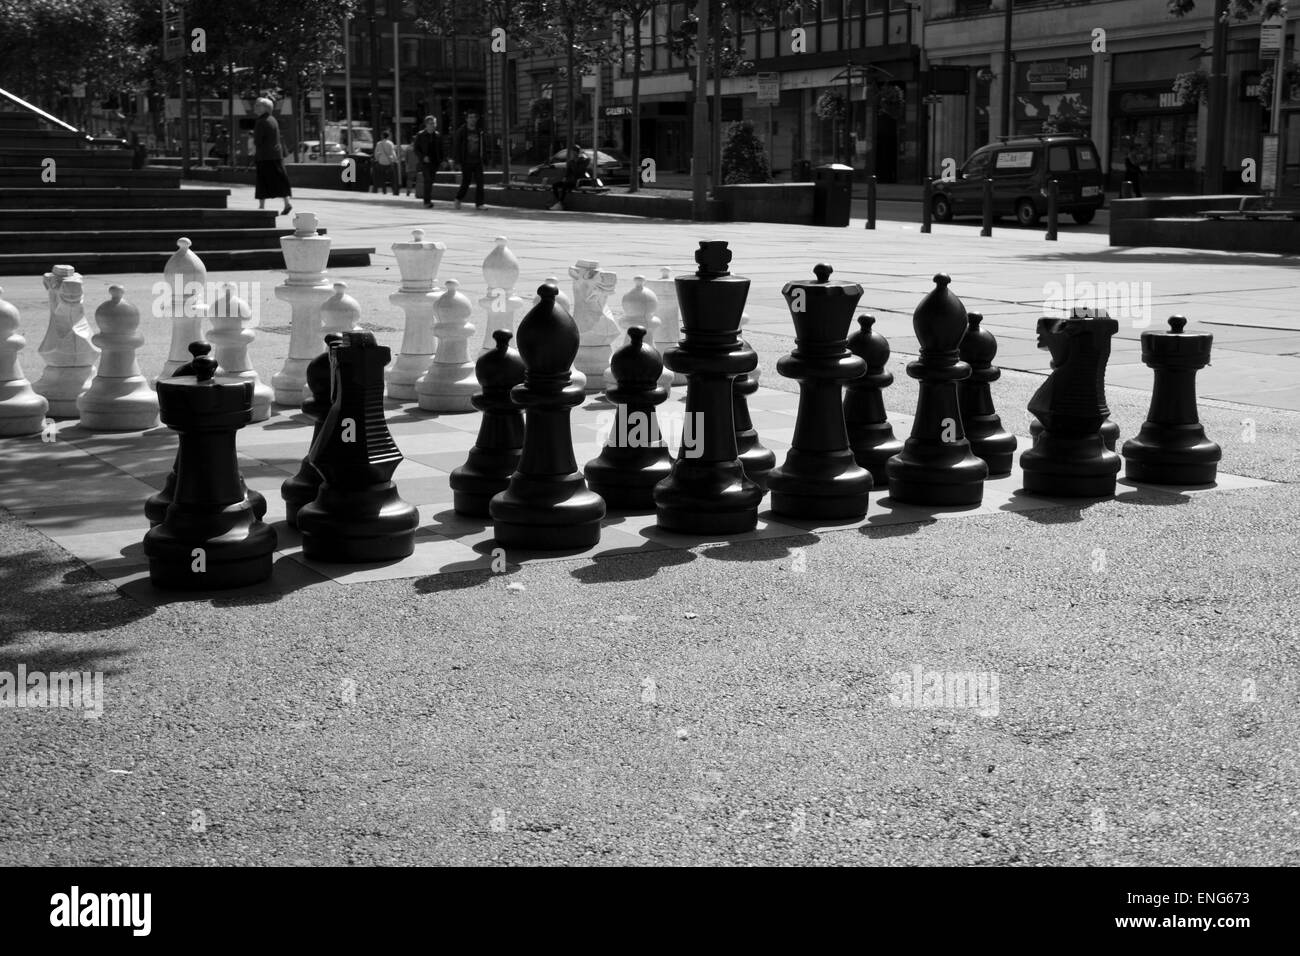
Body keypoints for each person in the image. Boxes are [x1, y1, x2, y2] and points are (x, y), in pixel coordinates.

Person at [252, 98, 292, 216]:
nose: (255, 107)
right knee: (280, 180)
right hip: (276, 156)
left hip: (264, 156)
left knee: (262, 181)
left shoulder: (261, 121)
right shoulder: (273, 119)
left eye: (258, 105)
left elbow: (258, 141)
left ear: (265, 108)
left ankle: (261, 206)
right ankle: (287, 203)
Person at [453, 111, 487, 209]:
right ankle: (458, 198)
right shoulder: (461, 131)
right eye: (470, 117)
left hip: (477, 161)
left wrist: (485, 159)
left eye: (474, 117)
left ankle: (479, 204)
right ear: (466, 119)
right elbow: (456, 147)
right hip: (466, 161)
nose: (472, 119)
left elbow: (483, 146)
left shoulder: (479, 131)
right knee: (466, 182)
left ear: (476, 119)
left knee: (480, 182)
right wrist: (457, 161)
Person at [549, 146, 593, 210]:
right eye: (572, 152)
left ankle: (560, 203)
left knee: (564, 186)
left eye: (574, 152)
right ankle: (559, 202)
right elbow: (568, 172)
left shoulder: (584, 161)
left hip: (577, 181)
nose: (573, 154)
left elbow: (578, 172)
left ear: (577, 153)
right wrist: (565, 177)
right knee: (555, 185)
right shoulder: (571, 162)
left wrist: (576, 162)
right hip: (569, 181)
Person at [413, 115, 443, 208]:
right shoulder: (420, 135)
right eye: (431, 123)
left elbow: (441, 149)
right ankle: (427, 201)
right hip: (425, 162)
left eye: (434, 123)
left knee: (431, 181)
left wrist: (443, 160)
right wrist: (423, 157)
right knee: (428, 180)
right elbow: (416, 149)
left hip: (435, 162)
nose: (433, 125)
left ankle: (428, 199)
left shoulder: (437, 135)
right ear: (426, 125)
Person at [373, 130, 398, 194]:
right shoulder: (390, 143)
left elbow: (376, 153)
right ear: (388, 136)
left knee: (382, 178)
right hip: (389, 163)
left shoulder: (379, 143)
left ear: (382, 136)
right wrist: (395, 160)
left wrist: (377, 159)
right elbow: (393, 153)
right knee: (392, 178)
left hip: (381, 162)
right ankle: (394, 191)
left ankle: (384, 191)